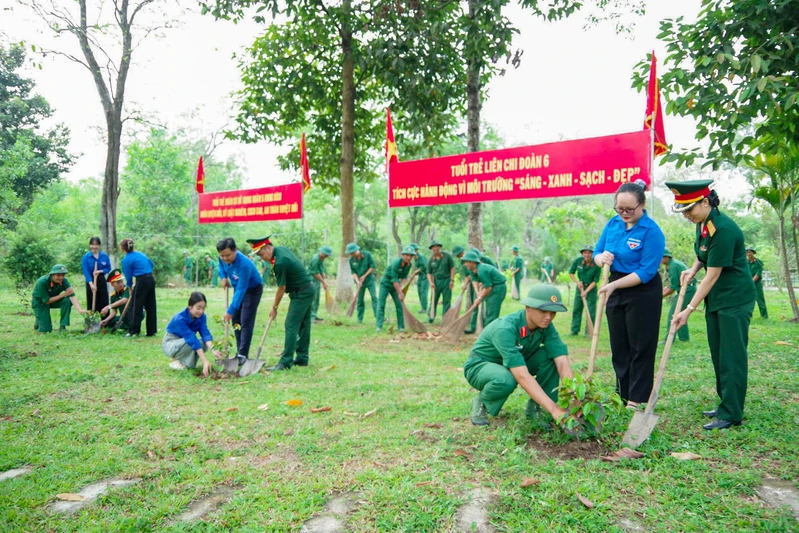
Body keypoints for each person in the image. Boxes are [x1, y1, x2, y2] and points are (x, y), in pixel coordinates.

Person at [669, 179, 755, 430]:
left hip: (735, 299)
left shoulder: (724, 229)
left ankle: (732, 412)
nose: (686, 215)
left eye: (689, 209)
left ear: (705, 202)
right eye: (682, 211)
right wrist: (691, 269)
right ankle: (725, 402)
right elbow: (703, 255)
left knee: (732, 356)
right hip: (717, 300)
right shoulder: (703, 223)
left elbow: (713, 275)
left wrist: (687, 310)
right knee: (719, 354)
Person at [594, 179, 665, 410]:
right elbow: (597, 252)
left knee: (640, 345)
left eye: (629, 209)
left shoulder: (651, 231)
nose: (624, 213)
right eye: (620, 208)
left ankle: (636, 399)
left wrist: (615, 286)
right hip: (613, 284)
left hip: (642, 291)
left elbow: (646, 271)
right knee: (619, 345)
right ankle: (621, 394)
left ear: (642, 204)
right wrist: (600, 259)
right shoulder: (612, 224)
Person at [464, 285, 573, 427]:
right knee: (505, 379)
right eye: (543, 311)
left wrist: (574, 398)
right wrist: (554, 410)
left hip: (514, 362)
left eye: (553, 313)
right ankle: (482, 401)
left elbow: (562, 362)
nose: (548, 317)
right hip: (480, 366)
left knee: (550, 356)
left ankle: (535, 409)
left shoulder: (545, 325)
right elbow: (521, 375)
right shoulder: (506, 328)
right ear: (528, 308)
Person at [249, 235, 314, 370]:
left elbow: (281, 288)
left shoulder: (280, 262)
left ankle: (285, 362)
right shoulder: (280, 250)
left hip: (301, 293)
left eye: (261, 255)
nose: (262, 259)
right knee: (304, 325)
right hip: (307, 289)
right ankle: (302, 358)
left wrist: (274, 308)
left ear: (267, 247)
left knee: (291, 325)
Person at [217, 237, 263, 364]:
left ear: (235, 250)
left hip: (252, 289)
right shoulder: (222, 257)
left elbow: (242, 289)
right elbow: (220, 265)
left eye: (228, 255)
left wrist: (230, 310)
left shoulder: (244, 265)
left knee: (245, 320)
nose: (225, 259)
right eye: (222, 256)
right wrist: (223, 277)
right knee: (236, 320)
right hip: (239, 288)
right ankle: (239, 352)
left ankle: (243, 354)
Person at [162, 292, 220, 377]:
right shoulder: (180, 319)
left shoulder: (201, 317)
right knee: (192, 342)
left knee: (203, 343)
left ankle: (185, 363)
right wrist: (204, 361)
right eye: (198, 308)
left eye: (203, 308)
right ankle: (176, 361)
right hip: (171, 343)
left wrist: (213, 349)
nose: (201, 311)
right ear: (190, 307)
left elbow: (205, 334)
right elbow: (191, 339)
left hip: (185, 341)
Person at [31, 264, 87, 332]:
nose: (61, 278)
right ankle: (39, 319)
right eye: (58, 275)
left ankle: (62, 327)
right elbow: (46, 301)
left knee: (67, 300)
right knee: (46, 330)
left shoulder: (64, 281)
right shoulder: (42, 282)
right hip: (40, 303)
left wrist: (80, 310)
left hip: (53, 300)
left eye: (63, 275)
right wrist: (64, 294)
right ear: (52, 275)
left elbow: (71, 295)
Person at [120, 238, 158, 337]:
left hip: (142, 281)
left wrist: (130, 288)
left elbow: (128, 276)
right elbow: (151, 264)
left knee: (136, 305)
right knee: (150, 305)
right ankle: (151, 331)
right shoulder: (141, 254)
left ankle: (133, 331)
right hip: (150, 279)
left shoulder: (126, 259)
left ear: (122, 248)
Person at [460, 250, 507, 327]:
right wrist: (478, 293)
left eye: (466, 262)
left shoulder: (482, 270)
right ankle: (487, 332)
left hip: (498, 288)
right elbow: (474, 279)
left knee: (492, 313)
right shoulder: (474, 269)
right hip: (492, 287)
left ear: (472, 262)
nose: (465, 264)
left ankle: (489, 335)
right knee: (489, 311)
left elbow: (488, 288)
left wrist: (479, 298)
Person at [376, 246, 415, 332]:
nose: (409, 257)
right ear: (403, 255)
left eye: (411, 256)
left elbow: (404, 277)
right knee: (381, 304)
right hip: (386, 283)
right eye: (407, 255)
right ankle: (379, 326)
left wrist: (400, 285)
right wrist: (400, 293)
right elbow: (393, 280)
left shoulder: (409, 265)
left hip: (396, 285)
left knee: (399, 304)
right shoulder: (396, 263)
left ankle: (401, 327)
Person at [661, 249, 696, 342]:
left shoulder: (673, 266)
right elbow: (675, 282)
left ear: (666, 257)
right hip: (685, 289)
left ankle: (668, 339)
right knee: (680, 314)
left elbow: (673, 288)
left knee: (673, 314)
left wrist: (661, 296)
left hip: (688, 290)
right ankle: (684, 338)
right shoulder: (670, 265)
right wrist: (667, 287)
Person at [568, 245, 601, 337]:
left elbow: (595, 281)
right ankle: (574, 330)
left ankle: (589, 332)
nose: (587, 254)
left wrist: (586, 292)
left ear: (592, 254)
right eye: (585, 252)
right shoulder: (578, 261)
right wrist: (577, 282)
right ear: (582, 253)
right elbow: (571, 273)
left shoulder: (596, 264)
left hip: (591, 289)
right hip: (580, 287)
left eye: (589, 252)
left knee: (591, 311)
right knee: (577, 309)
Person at [346, 242, 378, 324]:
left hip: (370, 279)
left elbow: (372, 266)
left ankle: (378, 316)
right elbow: (353, 272)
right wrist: (357, 281)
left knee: (374, 297)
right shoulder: (351, 260)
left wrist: (364, 276)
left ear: (357, 250)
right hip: (359, 282)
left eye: (353, 252)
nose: (352, 254)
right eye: (350, 253)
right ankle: (359, 319)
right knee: (360, 300)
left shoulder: (367, 255)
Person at [81, 236, 112, 316]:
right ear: (90, 245)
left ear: (99, 245)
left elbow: (108, 268)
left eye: (96, 245)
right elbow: (86, 272)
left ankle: (105, 320)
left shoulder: (104, 256)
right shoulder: (86, 257)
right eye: (92, 244)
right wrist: (91, 284)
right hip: (90, 280)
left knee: (103, 299)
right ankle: (93, 319)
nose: (94, 246)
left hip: (101, 279)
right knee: (92, 300)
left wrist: (100, 271)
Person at [426, 240, 455, 323]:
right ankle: (431, 316)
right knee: (434, 299)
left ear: (439, 247)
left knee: (446, 300)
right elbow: (429, 272)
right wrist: (431, 282)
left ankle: (445, 318)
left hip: (446, 280)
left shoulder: (447, 256)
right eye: (433, 247)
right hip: (436, 281)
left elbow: (452, 268)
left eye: (437, 246)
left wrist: (452, 280)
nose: (436, 248)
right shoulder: (430, 260)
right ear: (432, 249)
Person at [308, 245, 333, 323]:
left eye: (327, 255)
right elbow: (315, 273)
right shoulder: (316, 259)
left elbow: (321, 271)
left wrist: (324, 279)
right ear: (321, 252)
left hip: (317, 281)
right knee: (313, 298)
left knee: (317, 298)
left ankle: (314, 315)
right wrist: (323, 282)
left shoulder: (321, 259)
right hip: (311, 280)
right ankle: (311, 317)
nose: (326, 256)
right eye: (325, 254)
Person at [746, 247, 768, 319]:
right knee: (748, 301)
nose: (748, 254)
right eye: (747, 252)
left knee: (760, 300)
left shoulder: (758, 262)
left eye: (750, 252)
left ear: (753, 253)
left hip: (757, 284)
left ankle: (764, 317)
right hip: (747, 284)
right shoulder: (745, 263)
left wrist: (751, 282)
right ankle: (748, 316)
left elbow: (758, 274)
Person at [410, 243, 429, 314]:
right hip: (420, 276)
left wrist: (415, 273)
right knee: (419, 291)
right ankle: (422, 307)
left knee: (423, 291)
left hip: (425, 276)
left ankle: (424, 308)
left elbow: (423, 267)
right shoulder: (415, 258)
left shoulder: (421, 256)